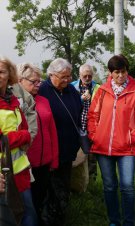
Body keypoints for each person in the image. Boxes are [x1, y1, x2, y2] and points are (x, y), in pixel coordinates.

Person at [87, 54, 135, 226]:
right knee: (109, 186)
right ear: (110, 73)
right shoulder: (101, 91)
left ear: (127, 71)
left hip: (126, 149)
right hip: (103, 148)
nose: (121, 76)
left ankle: (129, 222)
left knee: (127, 186)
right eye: (117, 72)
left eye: (123, 72)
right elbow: (93, 115)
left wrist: (131, 138)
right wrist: (95, 135)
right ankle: (114, 221)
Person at [38, 58, 81, 226]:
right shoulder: (43, 91)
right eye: (63, 77)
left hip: (68, 150)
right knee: (51, 189)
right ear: (51, 75)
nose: (67, 80)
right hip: (50, 151)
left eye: (69, 76)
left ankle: (61, 217)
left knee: (64, 187)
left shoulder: (70, 89)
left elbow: (79, 109)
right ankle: (49, 219)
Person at [17, 63, 59, 225]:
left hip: (44, 162)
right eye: (33, 82)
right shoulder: (15, 104)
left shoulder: (43, 101)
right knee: (27, 207)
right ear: (20, 81)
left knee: (40, 201)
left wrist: (54, 159)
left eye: (39, 81)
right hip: (25, 165)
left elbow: (52, 131)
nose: (38, 85)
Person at [0, 56, 35, 225]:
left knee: (28, 216)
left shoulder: (12, 100)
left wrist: (20, 135)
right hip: (2, 176)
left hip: (20, 172)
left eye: (1, 71)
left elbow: (25, 128)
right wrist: (22, 136)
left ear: (10, 75)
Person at [71, 63, 100, 180]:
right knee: (79, 154)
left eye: (90, 76)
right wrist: (80, 99)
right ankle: (78, 179)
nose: (87, 78)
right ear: (79, 75)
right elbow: (70, 104)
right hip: (78, 126)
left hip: (93, 127)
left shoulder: (97, 88)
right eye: (85, 76)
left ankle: (92, 179)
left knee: (92, 154)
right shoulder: (72, 87)